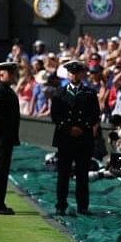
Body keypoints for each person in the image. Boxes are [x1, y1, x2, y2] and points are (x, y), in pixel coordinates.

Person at [50, 61, 100, 215]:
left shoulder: (90, 93)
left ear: (82, 74)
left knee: (82, 175)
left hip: (83, 138)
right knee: (63, 174)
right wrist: (69, 128)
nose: (74, 75)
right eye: (71, 73)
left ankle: (82, 206)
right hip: (65, 138)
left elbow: (94, 114)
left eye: (77, 72)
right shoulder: (60, 92)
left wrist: (82, 127)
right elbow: (55, 115)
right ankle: (61, 205)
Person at [0, 62, 20, 215]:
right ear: (2, 74)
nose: (13, 76)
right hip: (1, 138)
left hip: (6, 138)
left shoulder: (6, 91)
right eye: (10, 73)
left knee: (2, 172)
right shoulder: (0, 92)